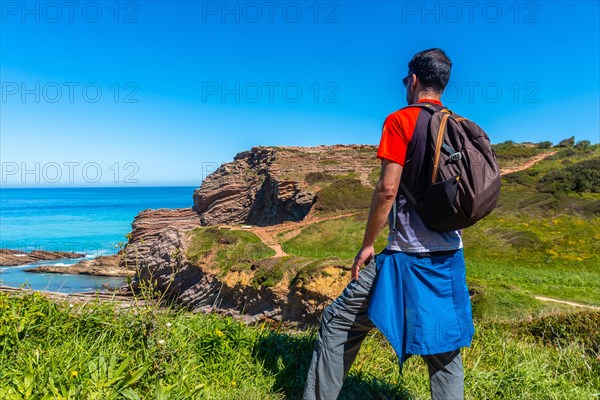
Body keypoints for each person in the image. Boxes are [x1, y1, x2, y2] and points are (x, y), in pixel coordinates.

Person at [303, 48, 475, 400]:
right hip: (448, 257)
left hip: (404, 257)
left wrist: (367, 244)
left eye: (404, 80)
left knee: (338, 324)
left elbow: (387, 190)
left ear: (413, 80)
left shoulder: (400, 121)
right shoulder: (457, 126)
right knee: (445, 349)